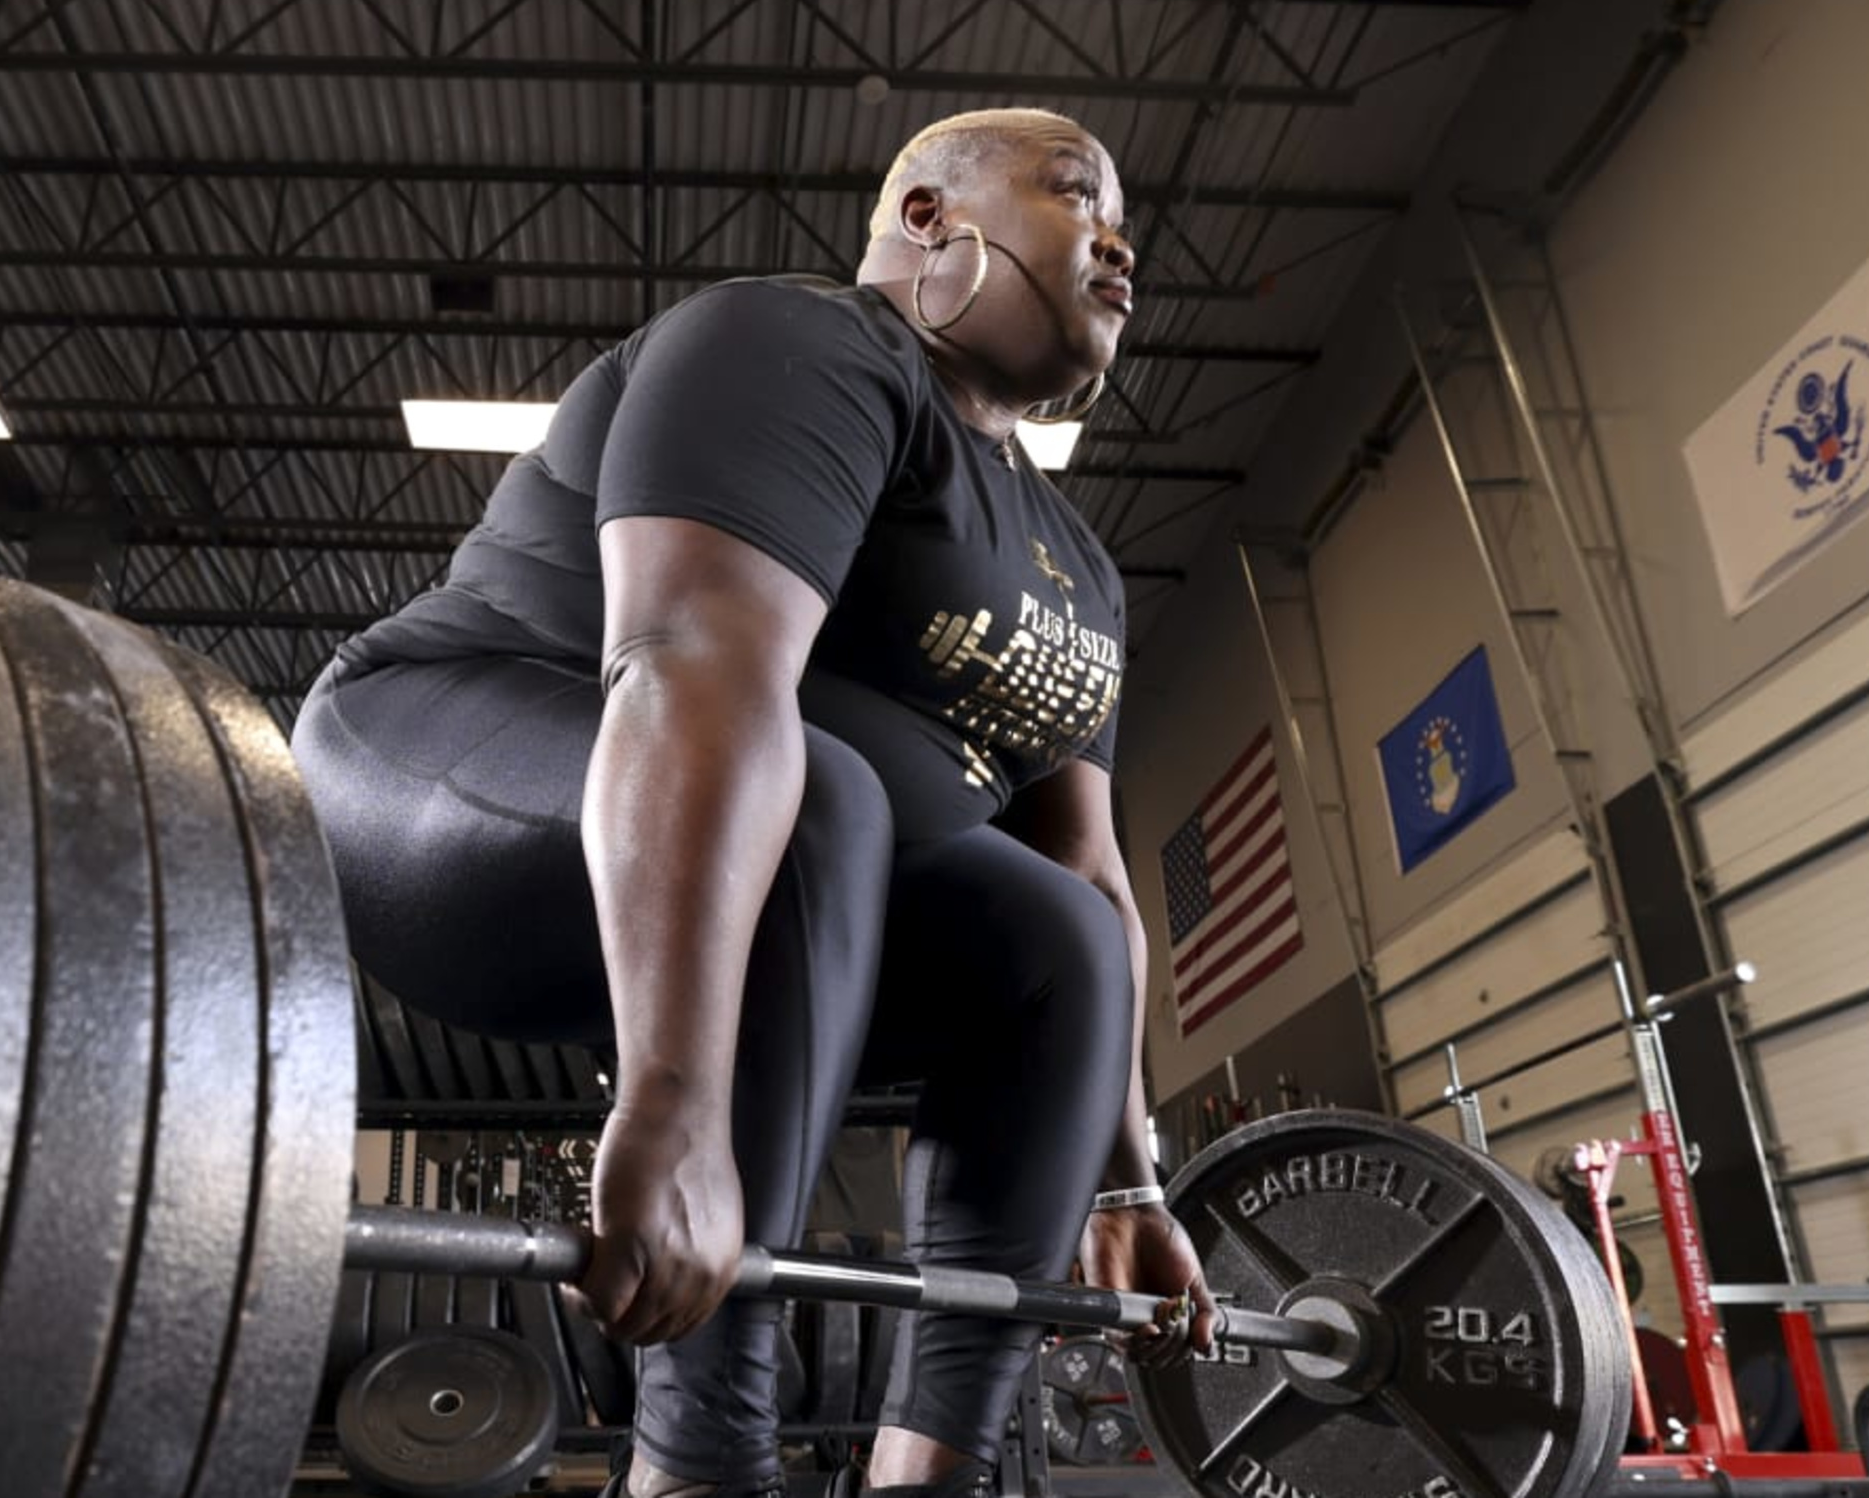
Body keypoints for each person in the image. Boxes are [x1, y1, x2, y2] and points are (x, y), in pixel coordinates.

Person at [294, 108, 1217, 1498]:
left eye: (1123, 213)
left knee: (1058, 939)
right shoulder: (800, 347)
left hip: (766, 865)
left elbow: (1085, 870)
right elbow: (691, 674)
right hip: (437, 774)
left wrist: (1125, 1180)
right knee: (813, 792)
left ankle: (934, 1472)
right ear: (929, 222)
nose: (1120, 239)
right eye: (1077, 193)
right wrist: (672, 1099)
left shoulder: (1077, 567)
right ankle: (697, 1463)